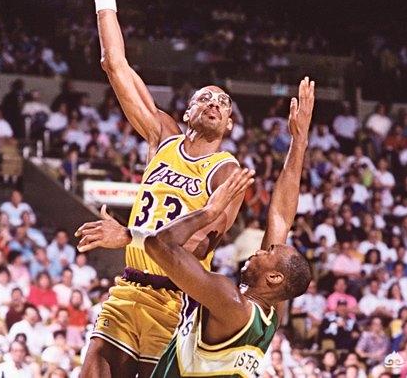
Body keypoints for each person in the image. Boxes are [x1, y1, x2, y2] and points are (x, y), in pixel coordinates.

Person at [77, 0, 245, 377]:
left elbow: (197, 244)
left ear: (228, 124)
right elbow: (114, 64)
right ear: (187, 112)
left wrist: (127, 236)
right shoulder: (163, 137)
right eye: (205, 97)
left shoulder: (226, 172)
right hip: (127, 290)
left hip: (175, 301)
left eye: (223, 103)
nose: (214, 103)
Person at [76, 78, 315, 377]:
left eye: (267, 253)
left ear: (274, 277)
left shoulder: (228, 301)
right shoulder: (271, 314)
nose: (257, 251)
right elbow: (280, 218)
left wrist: (209, 211)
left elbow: (161, 245)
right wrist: (299, 141)